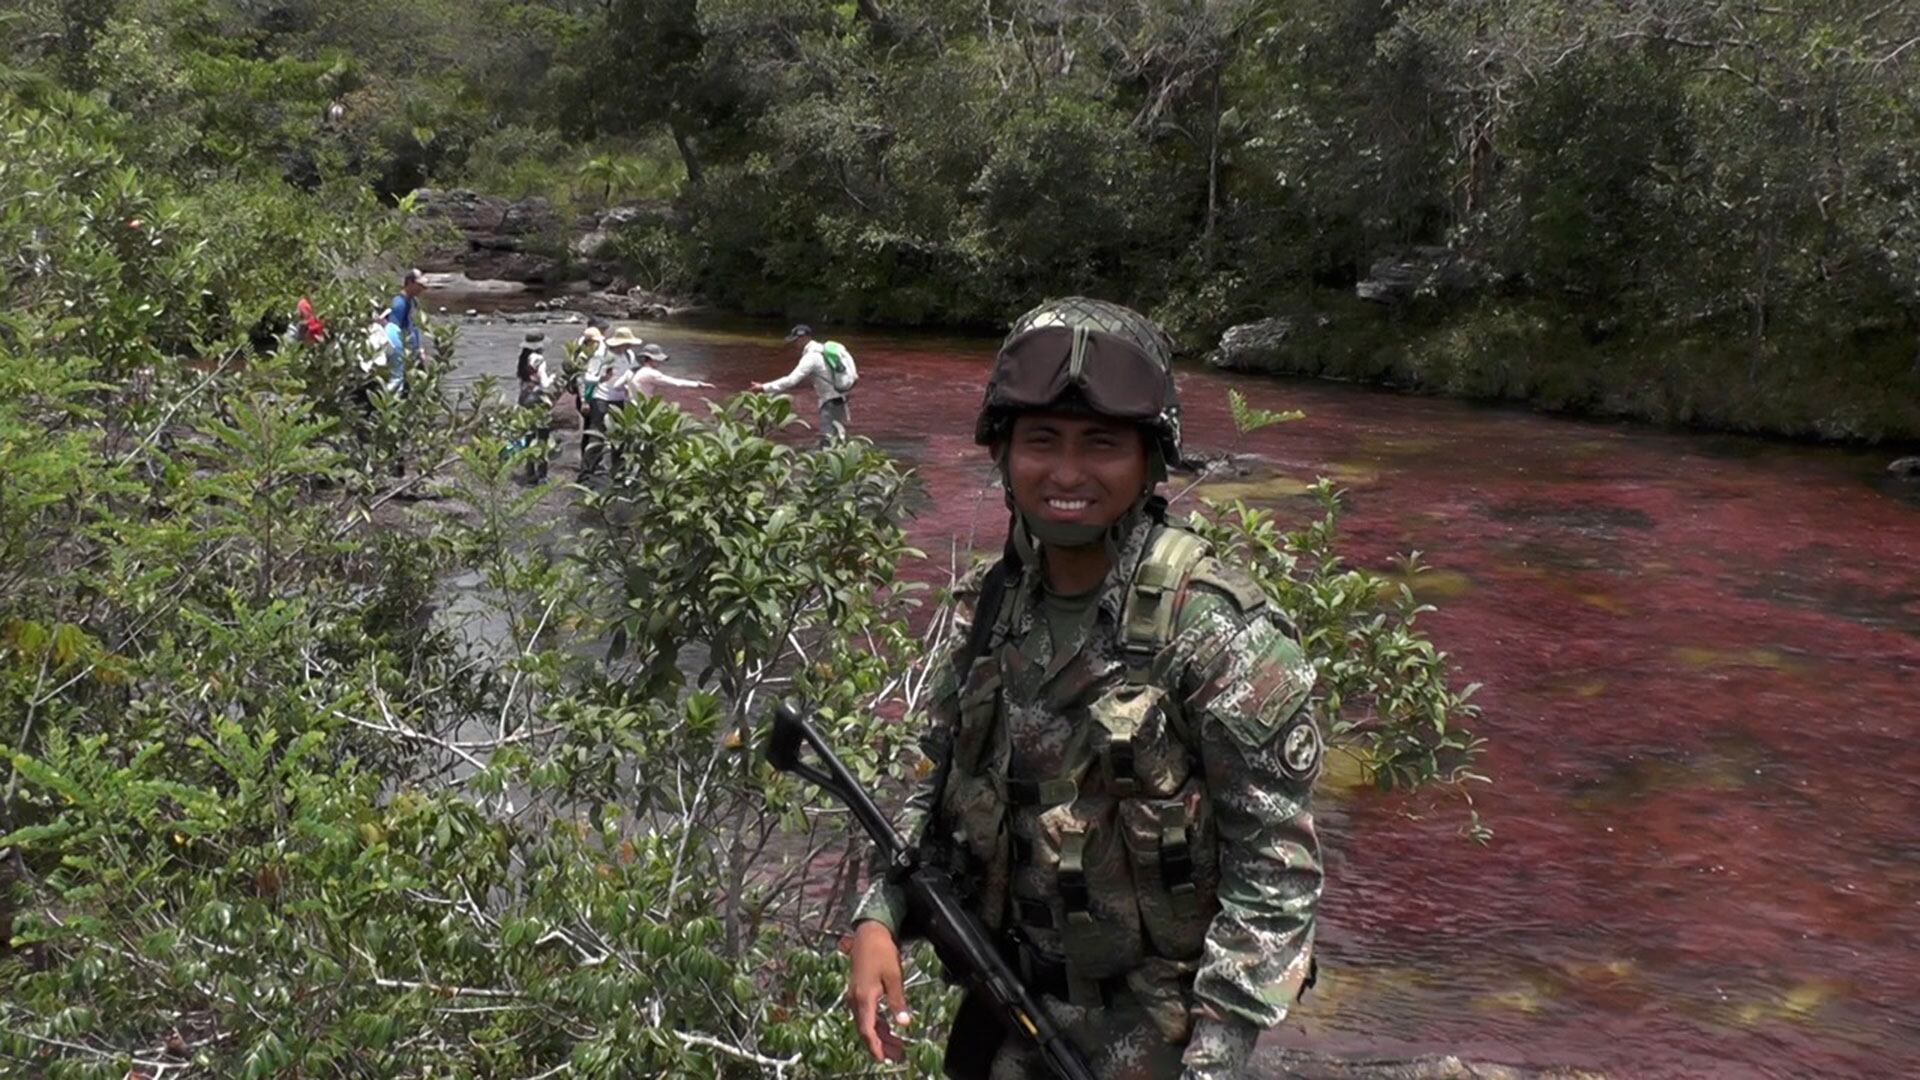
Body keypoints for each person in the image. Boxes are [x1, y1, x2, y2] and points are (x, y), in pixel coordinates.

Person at [845, 298, 1323, 1080]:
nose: (1067, 473)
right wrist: (880, 914)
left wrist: (1216, 1054)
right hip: (1007, 1018)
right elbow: (933, 786)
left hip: (1162, 1039)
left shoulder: (1214, 630)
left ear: (1148, 462)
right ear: (1002, 454)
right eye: (1042, 442)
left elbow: (1275, 869)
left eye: (1101, 445)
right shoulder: (992, 609)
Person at [752, 324, 858, 446]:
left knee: (827, 439)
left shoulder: (811, 357)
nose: (795, 344)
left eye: (796, 340)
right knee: (840, 436)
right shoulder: (826, 349)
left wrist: (764, 387)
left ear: (803, 338)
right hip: (842, 399)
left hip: (829, 403)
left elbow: (791, 380)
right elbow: (855, 375)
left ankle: (826, 463)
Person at [515, 331, 556, 482]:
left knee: (528, 434)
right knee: (543, 436)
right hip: (538, 399)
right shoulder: (539, 360)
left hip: (524, 398)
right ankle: (542, 474)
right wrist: (552, 378)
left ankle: (529, 469)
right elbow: (544, 384)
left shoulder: (522, 359)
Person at [389, 268, 428, 360]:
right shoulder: (399, 304)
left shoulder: (413, 301)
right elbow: (393, 332)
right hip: (403, 354)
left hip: (413, 353)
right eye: (419, 285)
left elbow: (414, 327)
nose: (422, 289)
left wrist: (420, 349)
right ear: (410, 283)